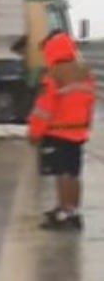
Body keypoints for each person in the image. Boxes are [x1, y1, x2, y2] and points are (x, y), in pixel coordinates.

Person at [27, 30, 96, 231]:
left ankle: (63, 213)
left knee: (62, 173)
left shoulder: (53, 76)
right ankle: (73, 211)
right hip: (78, 132)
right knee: (73, 173)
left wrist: (34, 133)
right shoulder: (85, 73)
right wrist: (86, 125)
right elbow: (89, 102)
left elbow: (44, 110)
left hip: (59, 131)